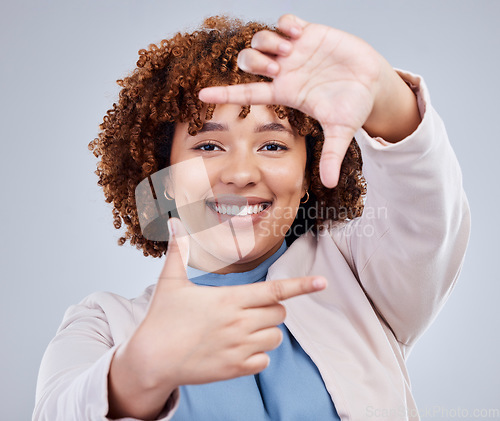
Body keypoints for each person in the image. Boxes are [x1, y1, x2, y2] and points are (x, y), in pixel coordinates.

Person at [33, 13, 470, 421]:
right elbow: (59, 408)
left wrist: (382, 92)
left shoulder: (359, 276)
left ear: (309, 174)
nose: (241, 174)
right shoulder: (105, 325)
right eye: (207, 146)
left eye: (273, 145)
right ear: (164, 180)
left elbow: (426, 211)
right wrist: (140, 370)